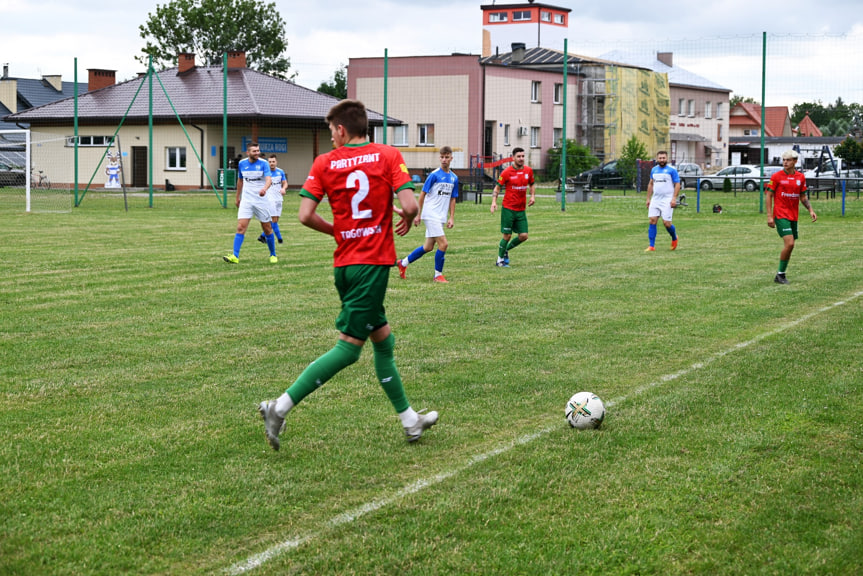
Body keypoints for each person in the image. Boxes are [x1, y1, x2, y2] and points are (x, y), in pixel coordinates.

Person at [258, 99, 439, 451]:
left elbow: (305, 215)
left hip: (345, 265)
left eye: (331, 132)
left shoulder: (325, 163)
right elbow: (412, 205)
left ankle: (410, 420)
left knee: (383, 339)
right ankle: (278, 408)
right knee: (349, 350)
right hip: (372, 265)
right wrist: (404, 211)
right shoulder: (387, 155)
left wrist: (338, 232)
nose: (331, 139)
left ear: (342, 129)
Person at [396, 146, 459, 283]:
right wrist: (418, 215)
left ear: (451, 158)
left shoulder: (454, 178)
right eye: (442, 157)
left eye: (447, 157)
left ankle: (403, 263)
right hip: (430, 214)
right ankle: (438, 275)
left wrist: (451, 217)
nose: (444, 160)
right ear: (439, 158)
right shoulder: (434, 175)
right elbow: (423, 194)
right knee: (443, 244)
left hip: (440, 216)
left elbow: (453, 198)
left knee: (428, 247)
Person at [765, 149, 817, 284]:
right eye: (784, 160)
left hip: (793, 216)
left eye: (788, 160)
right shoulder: (776, 177)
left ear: (795, 161)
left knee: (791, 245)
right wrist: (770, 216)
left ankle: (781, 274)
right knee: (790, 243)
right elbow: (769, 195)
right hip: (781, 215)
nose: (785, 162)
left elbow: (803, 196)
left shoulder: (800, 177)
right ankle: (780, 275)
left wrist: (810, 210)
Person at [223, 143, 277, 264]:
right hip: (246, 200)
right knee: (240, 227)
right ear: (248, 153)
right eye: (254, 151)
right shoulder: (242, 163)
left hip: (261, 201)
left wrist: (264, 189)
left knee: (267, 229)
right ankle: (235, 256)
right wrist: (237, 197)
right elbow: (240, 180)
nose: (257, 153)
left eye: (258, 150)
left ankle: (273, 254)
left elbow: (269, 179)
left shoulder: (263, 163)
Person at [490, 147, 535, 267]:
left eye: (523, 156)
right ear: (513, 158)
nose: (521, 159)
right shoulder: (506, 172)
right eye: (519, 156)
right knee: (507, 235)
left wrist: (532, 196)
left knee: (524, 235)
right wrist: (494, 201)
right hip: (508, 208)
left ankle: (505, 250)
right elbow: (497, 188)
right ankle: (499, 260)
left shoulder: (528, 171)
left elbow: (532, 184)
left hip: (521, 210)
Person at [644, 150, 680, 252]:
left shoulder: (672, 170)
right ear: (657, 159)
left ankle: (674, 238)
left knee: (667, 223)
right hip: (655, 199)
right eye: (660, 158)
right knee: (652, 220)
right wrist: (648, 198)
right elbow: (651, 184)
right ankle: (651, 246)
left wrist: (674, 198)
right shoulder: (654, 170)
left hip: (667, 200)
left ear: (667, 158)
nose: (662, 160)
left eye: (664, 158)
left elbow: (677, 184)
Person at [258, 154, 288, 245]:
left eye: (273, 161)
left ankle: (262, 236)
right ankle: (280, 240)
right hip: (270, 200)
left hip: (279, 199)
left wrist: (283, 188)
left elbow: (285, 182)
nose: (271, 163)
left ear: (276, 162)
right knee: (274, 220)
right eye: (270, 162)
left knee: (275, 221)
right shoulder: (265, 174)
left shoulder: (280, 171)